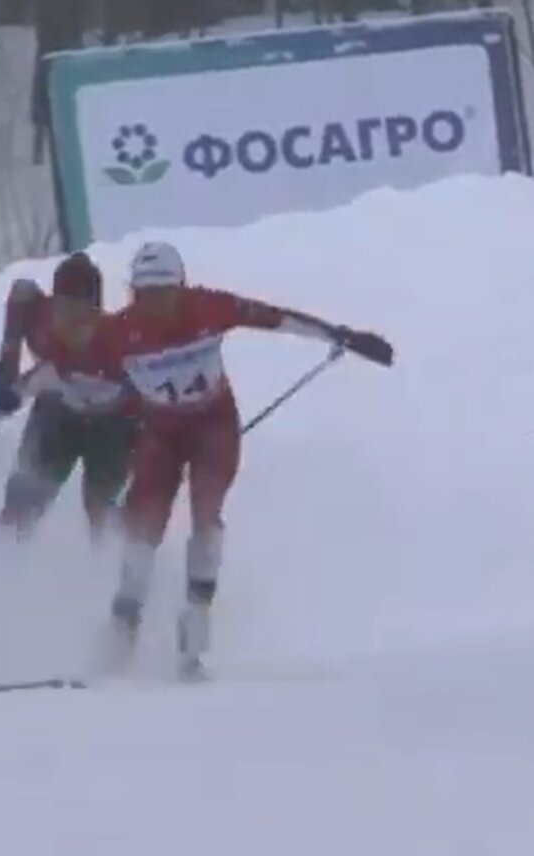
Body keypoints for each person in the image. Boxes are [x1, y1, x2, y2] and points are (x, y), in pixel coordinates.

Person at [95, 241, 394, 676]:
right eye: (144, 294)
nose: (154, 303)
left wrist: (340, 335)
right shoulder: (117, 332)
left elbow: (277, 318)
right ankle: (120, 638)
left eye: (163, 292)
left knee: (206, 518)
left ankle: (192, 644)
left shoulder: (209, 307)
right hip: (160, 434)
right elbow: (70, 369)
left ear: (181, 288)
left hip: (212, 430)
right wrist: (17, 389)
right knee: (143, 529)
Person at [0, 251, 140, 542]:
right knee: (25, 495)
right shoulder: (38, 320)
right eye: (62, 310)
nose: (68, 323)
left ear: (95, 313)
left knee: (102, 507)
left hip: (111, 423)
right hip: (56, 412)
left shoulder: (120, 344)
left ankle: (114, 568)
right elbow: (21, 296)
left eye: (79, 314)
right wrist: (5, 372)